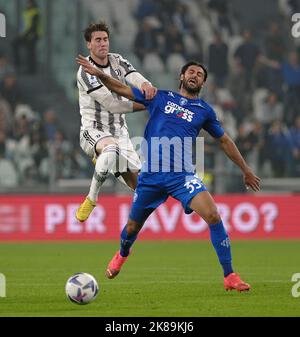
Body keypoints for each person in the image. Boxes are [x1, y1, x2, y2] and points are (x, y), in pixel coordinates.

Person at [77, 55, 261, 292]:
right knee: (132, 227)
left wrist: (245, 170)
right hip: (151, 176)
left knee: (213, 215)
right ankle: (122, 254)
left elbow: (224, 140)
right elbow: (122, 89)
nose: (195, 75)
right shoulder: (159, 97)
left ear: (203, 84)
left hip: (181, 177)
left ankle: (230, 276)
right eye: (191, 72)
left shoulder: (204, 110)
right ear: (181, 76)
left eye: (200, 75)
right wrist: (100, 73)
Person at [75, 22, 157, 222]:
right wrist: (147, 104)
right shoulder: (85, 72)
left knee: (142, 186)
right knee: (110, 150)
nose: (103, 44)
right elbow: (113, 105)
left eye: (105, 39)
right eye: (98, 40)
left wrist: (146, 85)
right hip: (93, 131)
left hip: (121, 133)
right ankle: (91, 198)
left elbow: (134, 76)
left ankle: (103, 159)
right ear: (89, 45)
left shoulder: (117, 60)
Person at [13, 0, 42, 74]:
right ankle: (19, 64)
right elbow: (25, 25)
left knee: (31, 52)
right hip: (26, 35)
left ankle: (31, 69)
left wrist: (25, 35)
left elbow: (33, 27)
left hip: (32, 35)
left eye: (29, 3)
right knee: (27, 50)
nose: (27, 4)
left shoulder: (35, 12)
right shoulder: (26, 12)